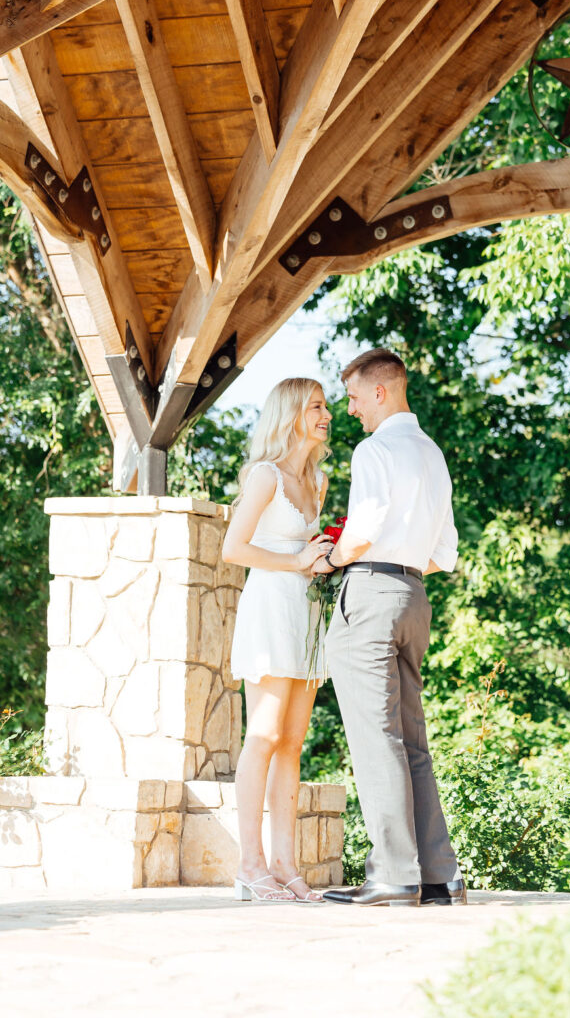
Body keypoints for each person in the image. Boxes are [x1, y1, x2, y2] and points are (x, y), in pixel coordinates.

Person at [313, 348, 467, 908]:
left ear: (381, 391)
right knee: (411, 742)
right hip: (414, 596)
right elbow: (441, 552)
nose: (349, 409)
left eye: (353, 397)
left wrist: (330, 561)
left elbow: (363, 527)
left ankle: (394, 874)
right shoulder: (432, 454)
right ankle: (438, 875)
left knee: (376, 738)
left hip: (373, 595)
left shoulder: (374, 449)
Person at [222, 378, 333, 903]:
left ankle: (286, 865)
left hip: (306, 616)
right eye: (316, 406)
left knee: (291, 742)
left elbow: (311, 552)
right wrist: (295, 561)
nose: (326, 414)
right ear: (290, 414)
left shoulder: (318, 481)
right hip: (269, 608)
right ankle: (249, 865)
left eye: (327, 406)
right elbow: (233, 548)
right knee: (262, 736)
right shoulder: (264, 477)